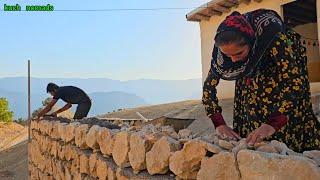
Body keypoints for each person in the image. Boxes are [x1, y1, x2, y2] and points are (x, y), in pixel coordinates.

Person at [202, 9, 320, 152]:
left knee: (282, 147)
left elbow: (295, 82)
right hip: (252, 90)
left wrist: (273, 124)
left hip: (280, 85)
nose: (233, 60)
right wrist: (219, 123)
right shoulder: (222, 52)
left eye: (239, 53)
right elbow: (209, 88)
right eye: (228, 55)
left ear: (252, 43)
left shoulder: (274, 38)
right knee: (254, 142)